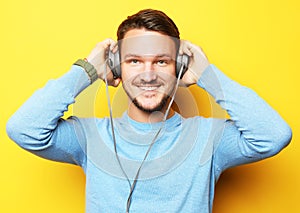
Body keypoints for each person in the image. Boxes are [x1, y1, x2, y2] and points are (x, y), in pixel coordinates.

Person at [6, 9, 292, 213]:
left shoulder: (208, 139)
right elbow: (23, 129)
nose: (148, 74)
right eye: (133, 61)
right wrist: (88, 69)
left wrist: (207, 74)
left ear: (179, 67)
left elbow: (274, 135)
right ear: (117, 67)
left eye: (161, 62)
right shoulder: (90, 136)